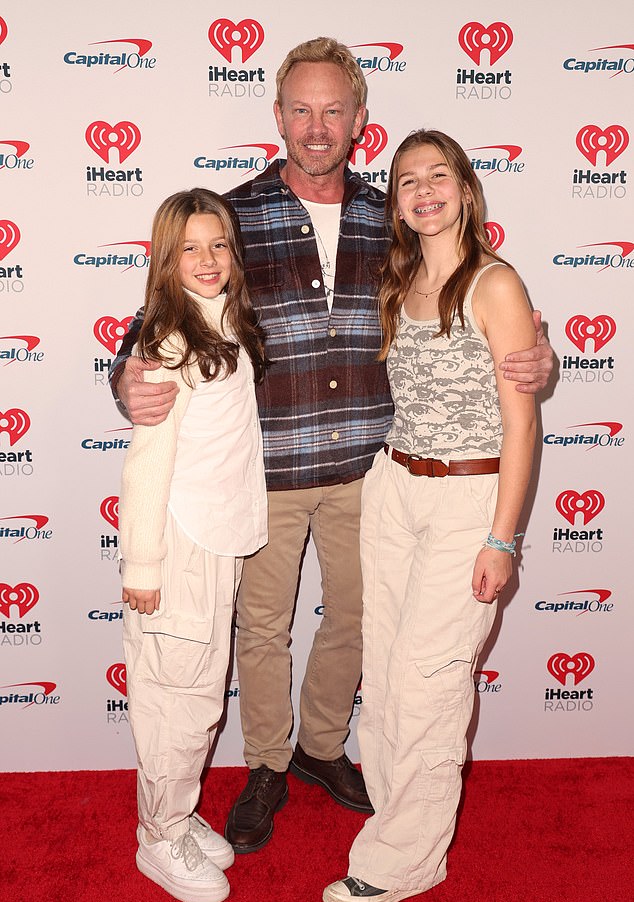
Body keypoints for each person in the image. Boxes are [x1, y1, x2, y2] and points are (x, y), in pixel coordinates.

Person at [111, 38, 553, 856]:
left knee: (356, 620)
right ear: (278, 115)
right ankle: (268, 763)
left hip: (369, 471)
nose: (318, 127)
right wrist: (124, 377)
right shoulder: (234, 215)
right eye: (302, 110)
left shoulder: (391, 214)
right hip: (268, 470)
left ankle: (321, 747)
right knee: (263, 628)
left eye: (334, 110)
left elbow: (462, 296)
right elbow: (163, 315)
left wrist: (536, 351)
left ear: (359, 120)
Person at [323, 130, 538, 902]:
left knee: (427, 682)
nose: (422, 190)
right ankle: (399, 822)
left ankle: (406, 861)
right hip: (395, 486)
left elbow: (523, 426)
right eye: (407, 179)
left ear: (465, 188)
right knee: (383, 673)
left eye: (437, 175)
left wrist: (501, 538)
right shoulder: (398, 279)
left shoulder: (495, 284)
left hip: (466, 502)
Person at [119, 188, 267, 902]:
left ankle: (175, 814)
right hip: (178, 546)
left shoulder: (227, 321)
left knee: (200, 696)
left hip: (220, 538)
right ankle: (158, 837)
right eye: (190, 249)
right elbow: (147, 462)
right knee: (176, 698)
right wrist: (144, 564)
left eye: (219, 246)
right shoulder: (167, 339)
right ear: (165, 257)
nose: (208, 262)